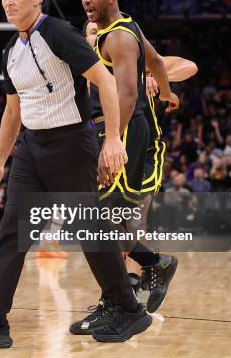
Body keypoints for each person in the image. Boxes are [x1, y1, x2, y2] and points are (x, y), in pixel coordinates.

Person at [0, 0, 149, 349]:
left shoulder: (57, 32)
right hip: (30, 149)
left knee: (88, 231)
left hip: (71, 143)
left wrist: (112, 139)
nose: (8, 2)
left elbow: (105, 82)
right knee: (12, 233)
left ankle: (129, 309)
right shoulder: (11, 51)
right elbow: (12, 112)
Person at [73, 0, 181, 331]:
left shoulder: (118, 36)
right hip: (119, 129)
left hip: (125, 132)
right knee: (105, 222)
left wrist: (112, 140)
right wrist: (166, 94)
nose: (86, 0)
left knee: (101, 221)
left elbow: (129, 94)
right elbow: (158, 64)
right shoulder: (127, 28)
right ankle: (141, 276)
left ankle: (121, 295)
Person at [84, 20, 197, 304]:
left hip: (141, 147)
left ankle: (130, 284)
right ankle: (147, 271)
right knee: (105, 219)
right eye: (93, 32)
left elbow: (188, 66)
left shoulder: (131, 60)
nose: (100, 36)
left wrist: (154, 77)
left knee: (129, 217)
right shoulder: (85, 72)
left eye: (101, 31)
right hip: (103, 142)